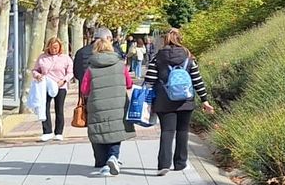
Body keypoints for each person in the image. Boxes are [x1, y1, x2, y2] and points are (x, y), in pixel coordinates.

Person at [144, 28, 213, 175]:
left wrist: (147, 101)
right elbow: (197, 80)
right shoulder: (188, 57)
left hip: (164, 100)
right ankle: (180, 163)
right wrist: (205, 100)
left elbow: (149, 81)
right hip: (185, 100)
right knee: (182, 131)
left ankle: (163, 164)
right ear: (180, 39)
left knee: (167, 131)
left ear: (165, 39)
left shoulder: (158, 57)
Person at [78, 35, 134, 176]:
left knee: (99, 131)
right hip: (118, 104)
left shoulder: (90, 68)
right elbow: (129, 84)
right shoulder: (120, 65)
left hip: (97, 104)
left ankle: (102, 162)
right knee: (116, 131)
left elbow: (84, 89)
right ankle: (113, 156)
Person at [31, 37, 73, 142]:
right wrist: (37, 75)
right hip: (45, 86)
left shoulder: (65, 58)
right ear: (48, 47)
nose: (54, 49)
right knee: (44, 108)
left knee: (59, 109)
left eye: (56, 47)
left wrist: (63, 81)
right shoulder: (42, 57)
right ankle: (47, 131)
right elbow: (35, 70)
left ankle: (59, 132)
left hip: (60, 86)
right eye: (52, 47)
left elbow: (70, 73)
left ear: (60, 47)